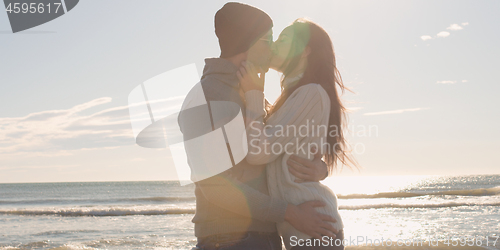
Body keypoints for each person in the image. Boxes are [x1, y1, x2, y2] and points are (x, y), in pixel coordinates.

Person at [178, 3, 340, 250]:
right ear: (249, 43)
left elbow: (275, 152)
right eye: (268, 40)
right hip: (231, 238)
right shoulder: (209, 95)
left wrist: (319, 168)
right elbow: (214, 185)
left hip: (263, 235)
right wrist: (291, 214)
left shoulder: (251, 91)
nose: (273, 47)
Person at [237, 18, 360, 250]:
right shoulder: (293, 97)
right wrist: (321, 168)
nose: (273, 45)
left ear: (304, 51)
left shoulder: (310, 93)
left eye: (282, 39)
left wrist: (253, 93)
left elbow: (257, 153)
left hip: (315, 231)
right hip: (305, 231)